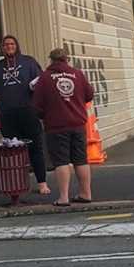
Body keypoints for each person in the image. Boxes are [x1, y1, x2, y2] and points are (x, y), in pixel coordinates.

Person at [0, 35, 49, 196]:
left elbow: (41, 81)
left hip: (28, 112)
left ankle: (42, 184)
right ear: (2, 48)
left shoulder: (29, 62)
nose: (9, 46)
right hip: (8, 115)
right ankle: (18, 186)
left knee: (35, 148)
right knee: (12, 152)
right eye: (5, 44)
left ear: (16, 46)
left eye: (12, 44)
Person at [32, 48, 95, 206]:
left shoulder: (45, 78)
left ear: (51, 60)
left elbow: (36, 105)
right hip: (78, 124)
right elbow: (89, 94)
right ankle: (86, 193)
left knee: (61, 162)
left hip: (56, 126)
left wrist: (43, 116)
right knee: (81, 160)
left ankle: (64, 197)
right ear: (66, 59)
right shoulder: (77, 74)